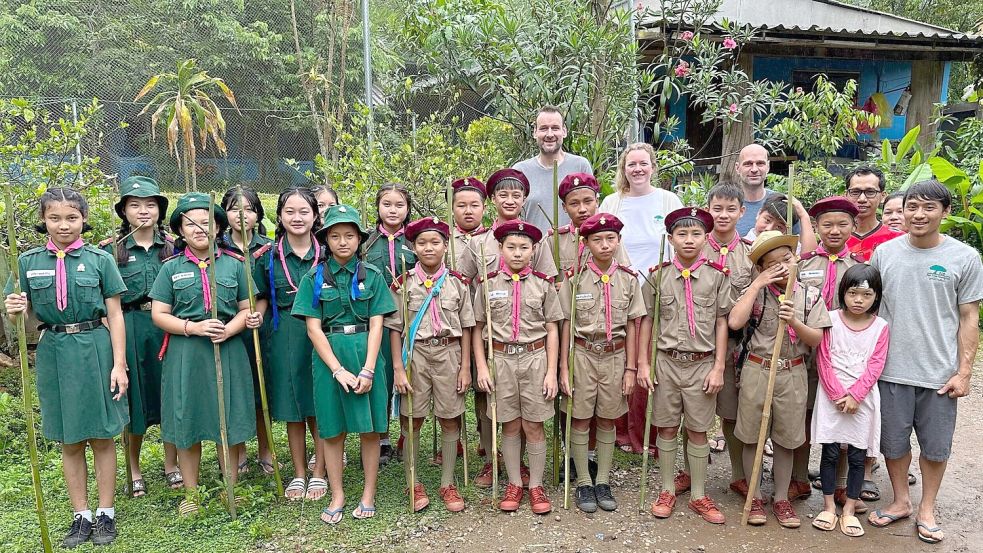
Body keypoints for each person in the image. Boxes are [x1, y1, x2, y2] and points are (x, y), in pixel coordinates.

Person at [4, 187, 129, 547]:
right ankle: (81, 515)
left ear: (84, 220)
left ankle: (106, 513)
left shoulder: (100, 259)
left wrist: (119, 364)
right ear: (43, 221)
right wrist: (14, 310)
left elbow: (116, 314)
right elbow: (21, 319)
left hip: (96, 348)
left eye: (72, 217)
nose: (64, 225)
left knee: (103, 435)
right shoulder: (25, 262)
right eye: (55, 218)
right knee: (69, 439)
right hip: (54, 351)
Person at [868, 180, 983, 545]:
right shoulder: (884, 254)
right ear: (902, 211)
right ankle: (901, 500)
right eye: (912, 207)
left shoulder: (964, 257)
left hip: (939, 374)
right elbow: (866, 309)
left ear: (945, 212)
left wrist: (963, 372)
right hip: (890, 370)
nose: (919, 214)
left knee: (935, 447)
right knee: (893, 443)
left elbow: (969, 318)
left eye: (929, 208)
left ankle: (927, 508)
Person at [149, 192, 261, 516]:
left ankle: (231, 487)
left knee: (228, 417)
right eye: (190, 223)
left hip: (228, 350)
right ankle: (192, 494)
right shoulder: (170, 269)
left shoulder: (235, 265)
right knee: (188, 419)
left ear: (218, 227)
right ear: (180, 231)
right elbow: (159, 314)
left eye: (206, 221)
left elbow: (246, 307)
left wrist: (231, 328)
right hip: (186, 354)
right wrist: (193, 328)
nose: (199, 228)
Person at [291, 204, 397, 524]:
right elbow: (312, 327)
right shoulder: (314, 278)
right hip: (329, 358)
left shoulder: (373, 275)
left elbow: (377, 323)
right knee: (333, 430)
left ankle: (368, 494)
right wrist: (337, 370)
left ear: (359, 239)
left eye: (349, 236)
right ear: (325, 240)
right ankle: (337, 494)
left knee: (368, 430)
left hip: (366, 351)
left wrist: (367, 369)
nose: (342, 242)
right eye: (334, 236)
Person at [729, 230, 832, 528]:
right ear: (761, 268)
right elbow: (735, 321)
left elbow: (815, 340)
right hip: (757, 370)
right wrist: (757, 283)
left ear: (796, 257)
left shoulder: (809, 294)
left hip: (793, 371)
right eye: (772, 264)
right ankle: (756, 495)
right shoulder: (756, 291)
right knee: (752, 436)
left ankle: (782, 498)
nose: (782, 267)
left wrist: (795, 321)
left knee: (786, 439)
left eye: (786, 259)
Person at [638, 207, 733, 525]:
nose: (689, 240)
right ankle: (666, 489)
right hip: (666, 362)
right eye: (682, 234)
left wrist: (719, 366)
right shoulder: (658, 276)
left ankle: (698, 494)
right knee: (665, 427)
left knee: (698, 430)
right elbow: (648, 322)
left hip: (701, 364)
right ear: (670, 238)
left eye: (696, 234)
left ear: (707, 239)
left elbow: (722, 323)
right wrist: (642, 364)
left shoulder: (717, 276)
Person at [473, 220, 563, 514]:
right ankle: (514, 482)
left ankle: (536, 484)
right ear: (500, 249)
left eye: (524, 247)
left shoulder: (543, 284)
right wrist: (483, 368)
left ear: (534, 250)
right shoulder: (487, 285)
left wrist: (551, 371)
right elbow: (478, 328)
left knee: (534, 424)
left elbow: (552, 328)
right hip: (500, 360)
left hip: (535, 359)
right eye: (510, 247)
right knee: (510, 424)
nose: (517, 253)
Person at [387, 217, 475, 513]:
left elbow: (466, 329)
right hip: (416, 357)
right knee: (413, 419)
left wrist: (465, 368)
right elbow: (395, 329)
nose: (429, 248)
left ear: (446, 246)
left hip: (449, 355)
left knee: (450, 418)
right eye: (422, 243)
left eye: (435, 242)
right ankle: (412, 482)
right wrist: (399, 370)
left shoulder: (458, 284)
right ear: (412, 247)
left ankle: (447, 482)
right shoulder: (403, 284)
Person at [99, 176, 180, 498]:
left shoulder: (174, 247)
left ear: (160, 210)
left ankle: (172, 464)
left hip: (168, 328)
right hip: (129, 327)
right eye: (135, 205)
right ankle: (133, 470)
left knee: (169, 395)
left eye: (150, 205)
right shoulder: (110, 251)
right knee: (133, 400)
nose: (143, 211)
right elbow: (104, 299)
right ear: (124, 211)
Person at [558, 212, 645, 514]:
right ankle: (583, 481)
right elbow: (565, 325)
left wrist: (631, 369)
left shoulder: (629, 280)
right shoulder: (574, 279)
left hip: (615, 357)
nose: (605, 245)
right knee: (580, 418)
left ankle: (603, 480)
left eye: (611, 239)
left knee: (608, 419)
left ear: (619, 241)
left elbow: (634, 325)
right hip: (581, 355)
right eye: (597, 239)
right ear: (586, 243)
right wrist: (562, 369)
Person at [599, 143, 681, 456]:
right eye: (631, 164)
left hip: (659, 287)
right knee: (624, 357)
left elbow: (679, 240)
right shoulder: (612, 201)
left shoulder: (667, 199)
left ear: (652, 166)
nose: (637, 169)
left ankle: (654, 431)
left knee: (651, 357)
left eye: (643, 163)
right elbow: (602, 241)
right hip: (621, 287)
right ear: (623, 168)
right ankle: (621, 431)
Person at [672, 184, 754, 498]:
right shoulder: (693, 245)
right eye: (717, 208)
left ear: (741, 212)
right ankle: (690, 472)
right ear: (708, 209)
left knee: (731, 411)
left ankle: (737, 474)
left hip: (738, 343)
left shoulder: (749, 252)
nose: (723, 215)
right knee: (691, 412)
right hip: (697, 343)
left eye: (730, 209)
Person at [252, 187, 327, 501]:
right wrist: (254, 317)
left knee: (321, 404)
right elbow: (260, 300)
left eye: (304, 212)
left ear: (315, 216)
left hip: (323, 335)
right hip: (283, 335)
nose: (297, 218)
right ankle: (299, 472)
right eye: (290, 212)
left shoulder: (327, 252)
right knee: (293, 405)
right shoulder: (266, 256)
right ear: (279, 216)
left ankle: (320, 471)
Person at [793, 197, 865, 508]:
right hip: (807, 355)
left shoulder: (860, 269)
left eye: (842, 224)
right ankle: (798, 477)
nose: (834, 231)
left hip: (844, 359)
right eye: (827, 225)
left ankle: (838, 483)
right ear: (817, 227)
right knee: (804, 416)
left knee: (844, 420)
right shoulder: (804, 265)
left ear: (854, 226)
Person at [811, 264, 889, 539]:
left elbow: (876, 364)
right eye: (853, 293)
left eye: (866, 295)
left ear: (876, 297)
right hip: (831, 396)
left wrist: (855, 395)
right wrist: (836, 394)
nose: (858, 300)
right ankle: (829, 506)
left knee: (858, 456)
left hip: (862, 399)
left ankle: (849, 510)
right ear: (843, 292)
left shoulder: (881, 327)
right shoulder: (830, 319)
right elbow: (823, 358)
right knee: (830, 453)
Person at [221, 187, 275, 476]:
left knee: (260, 389)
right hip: (228, 331)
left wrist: (257, 316)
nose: (242, 215)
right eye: (234, 208)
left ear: (258, 214)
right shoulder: (217, 248)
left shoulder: (268, 249)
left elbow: (267, 292)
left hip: (260, 329)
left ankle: (266, 451)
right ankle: (237, 452)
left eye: (249, 209)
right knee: (234, 393)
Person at [363, 183, 416, 464]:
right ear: (377, 207)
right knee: (382, 377)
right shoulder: (367, 243)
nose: (393, 210)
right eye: (387, 204)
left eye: (399, 205)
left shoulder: (416, 242)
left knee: (411, 376)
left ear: (408, 209)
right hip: (378, 322)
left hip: (414, 319)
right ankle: (381, 437)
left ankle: (408, 434)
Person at [449, 177, 490, 469]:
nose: (468, 211)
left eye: (474, 205)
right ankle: (456, 438)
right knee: (459, 382)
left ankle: (484, 437)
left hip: (485, 321)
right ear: (452, 209)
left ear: (484, 208)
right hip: (454, 324)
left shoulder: (494, 238)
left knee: (482, 384)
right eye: (461, 205)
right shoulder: (442, 240)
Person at [513, 105, 593, 231]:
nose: (550, 134)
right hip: (534, 248)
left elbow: (593, 213)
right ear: (535, 132)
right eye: (544, 129)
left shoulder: (580, 166)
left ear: (564, 131)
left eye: (555, 128)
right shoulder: (520, 171)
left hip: (573, 246)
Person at [844, 166, 903, 261]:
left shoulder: (899, 239)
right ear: (846, 195)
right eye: (855, 192)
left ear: (883, 196)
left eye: (870, 192)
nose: (862, 199)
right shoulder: (835, 238)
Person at [744, 193, 817, 253]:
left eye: (779, 227)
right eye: (767, 220)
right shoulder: (741, 246)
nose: (769, 229)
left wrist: (804, 216)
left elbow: (810, 258)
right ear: (759, 213)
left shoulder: (790, 250)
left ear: (786, 230)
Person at [733, 144, 772, 236]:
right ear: (737, 168)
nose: (754, 169)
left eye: (760, 163)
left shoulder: (781, 202)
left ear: (768, 167)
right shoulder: (725, 206)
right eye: (748, 164)